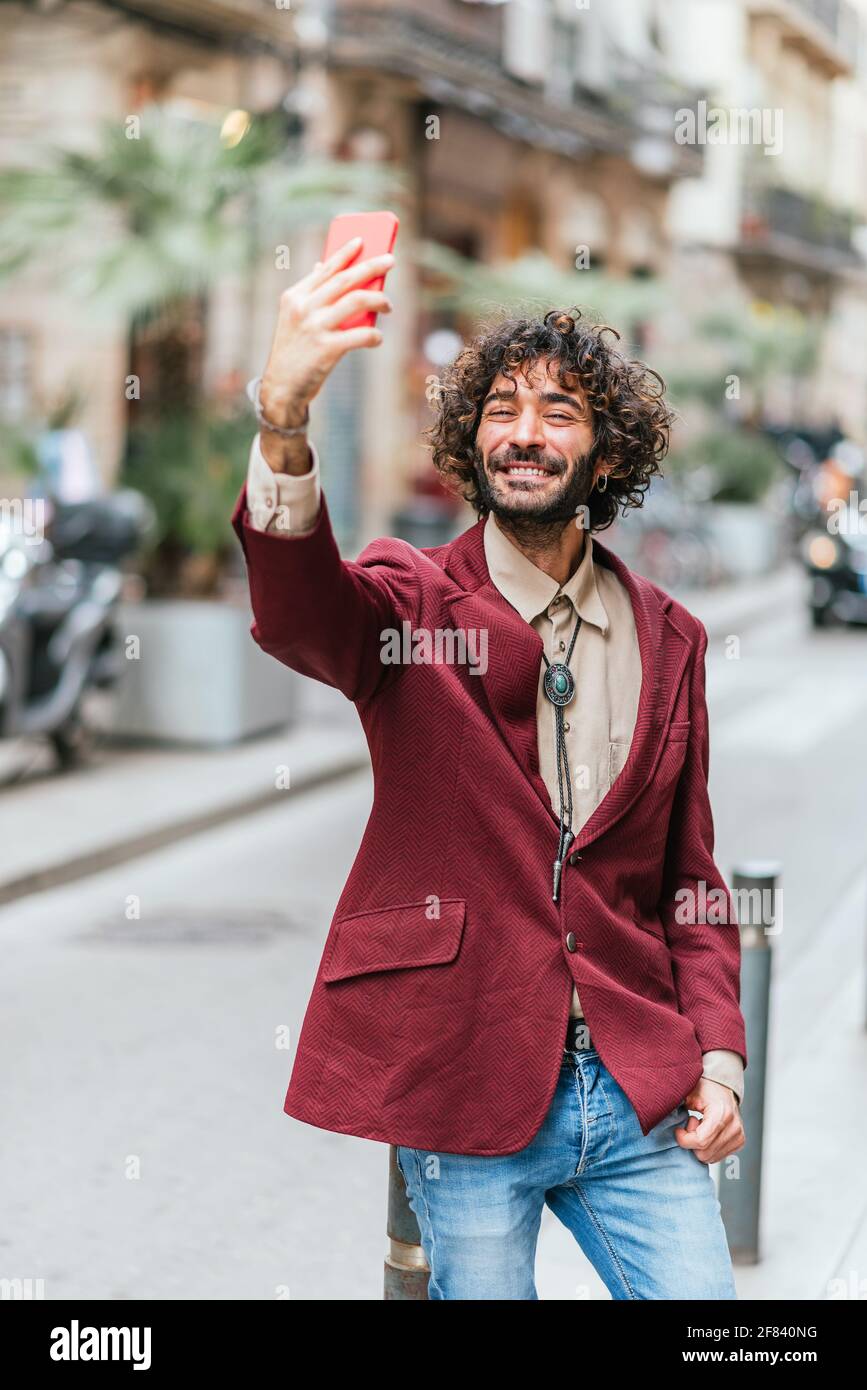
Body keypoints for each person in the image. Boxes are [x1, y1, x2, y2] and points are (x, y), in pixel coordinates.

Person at [230, 235, 747, 1300]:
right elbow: (300, 614)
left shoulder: (674, 638)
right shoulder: (408, 601)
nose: (524, 434)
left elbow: (690, 881)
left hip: (635, 1080)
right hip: (466, 1080)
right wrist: (283, 423)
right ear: (473, 446)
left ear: (605, 457)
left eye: (558, 413)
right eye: (500, 410)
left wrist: (722, 1057)